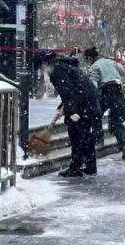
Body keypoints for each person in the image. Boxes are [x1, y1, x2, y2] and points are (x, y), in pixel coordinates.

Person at [34, 50, 102, 179]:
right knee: (86, 136)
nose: (42, 70)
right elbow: (74, 88)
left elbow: (68, 91)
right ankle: (90, 166)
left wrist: (72, 111)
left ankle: (75, 168)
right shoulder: (65, 65)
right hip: (90, 103)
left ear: (44, 63)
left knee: (76, 135)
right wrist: (64, 105)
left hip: (82, 105)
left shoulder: (55, 69)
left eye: (40, 66)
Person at [83, 45, 125, 162]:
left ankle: (99, 139)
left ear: (90, 58)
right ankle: (124, 145)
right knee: (117, 121)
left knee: (95, 115)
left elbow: (93, 86)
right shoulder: (111, 61)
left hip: (105, 92)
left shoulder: (94, 67)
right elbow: (122, 72)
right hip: (118, 91)